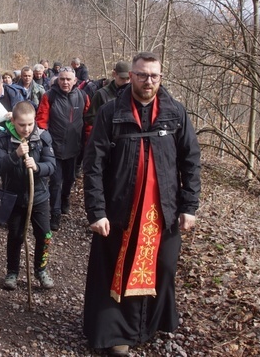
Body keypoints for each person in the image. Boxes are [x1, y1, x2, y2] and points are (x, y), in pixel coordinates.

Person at [82, 52, 201, 355]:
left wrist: (190, 206)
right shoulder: (111, 113)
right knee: (115, 270)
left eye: (154, 76)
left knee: (162, 268)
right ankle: (116, 333)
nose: (148, 81)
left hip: (163, 212)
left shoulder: (175, 113)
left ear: (161, 78)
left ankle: (148, 326)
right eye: (142, 75)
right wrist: (96, 211)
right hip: (119, 212)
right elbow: (93, 165)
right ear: (130, 76)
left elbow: (190, 160)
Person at [0, 101, 56, 290]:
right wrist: (15, 155)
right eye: (21, 125)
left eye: (30, 124)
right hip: (14, 198)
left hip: (40, 196)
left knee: (44, 234)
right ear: (13, 120)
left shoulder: (43, 137)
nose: (26, 129)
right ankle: (12, 272)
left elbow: (51, 165)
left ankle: (41, 269)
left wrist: (37, 167)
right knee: (15, 236)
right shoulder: (2, 140)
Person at [35, 66, 90, 231]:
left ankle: (65, 198)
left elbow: (88, 122)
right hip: (55, 148)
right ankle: (55, 213)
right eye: (62, 79)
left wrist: (88, 142)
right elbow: (41, 121)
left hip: (74, 148)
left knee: (69, 179)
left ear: (75, 81)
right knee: (56, 183)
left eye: (68, 79)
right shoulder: (49, 96)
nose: (65, 82)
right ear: (58, 80)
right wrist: (44, 143)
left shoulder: (83, 96)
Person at [84, 61, 131, 131]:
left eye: (128, 79)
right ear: (114, 74)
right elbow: (89, 118)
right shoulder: (101, 94)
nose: (125, 82)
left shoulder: (133, 93)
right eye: (122, 78)